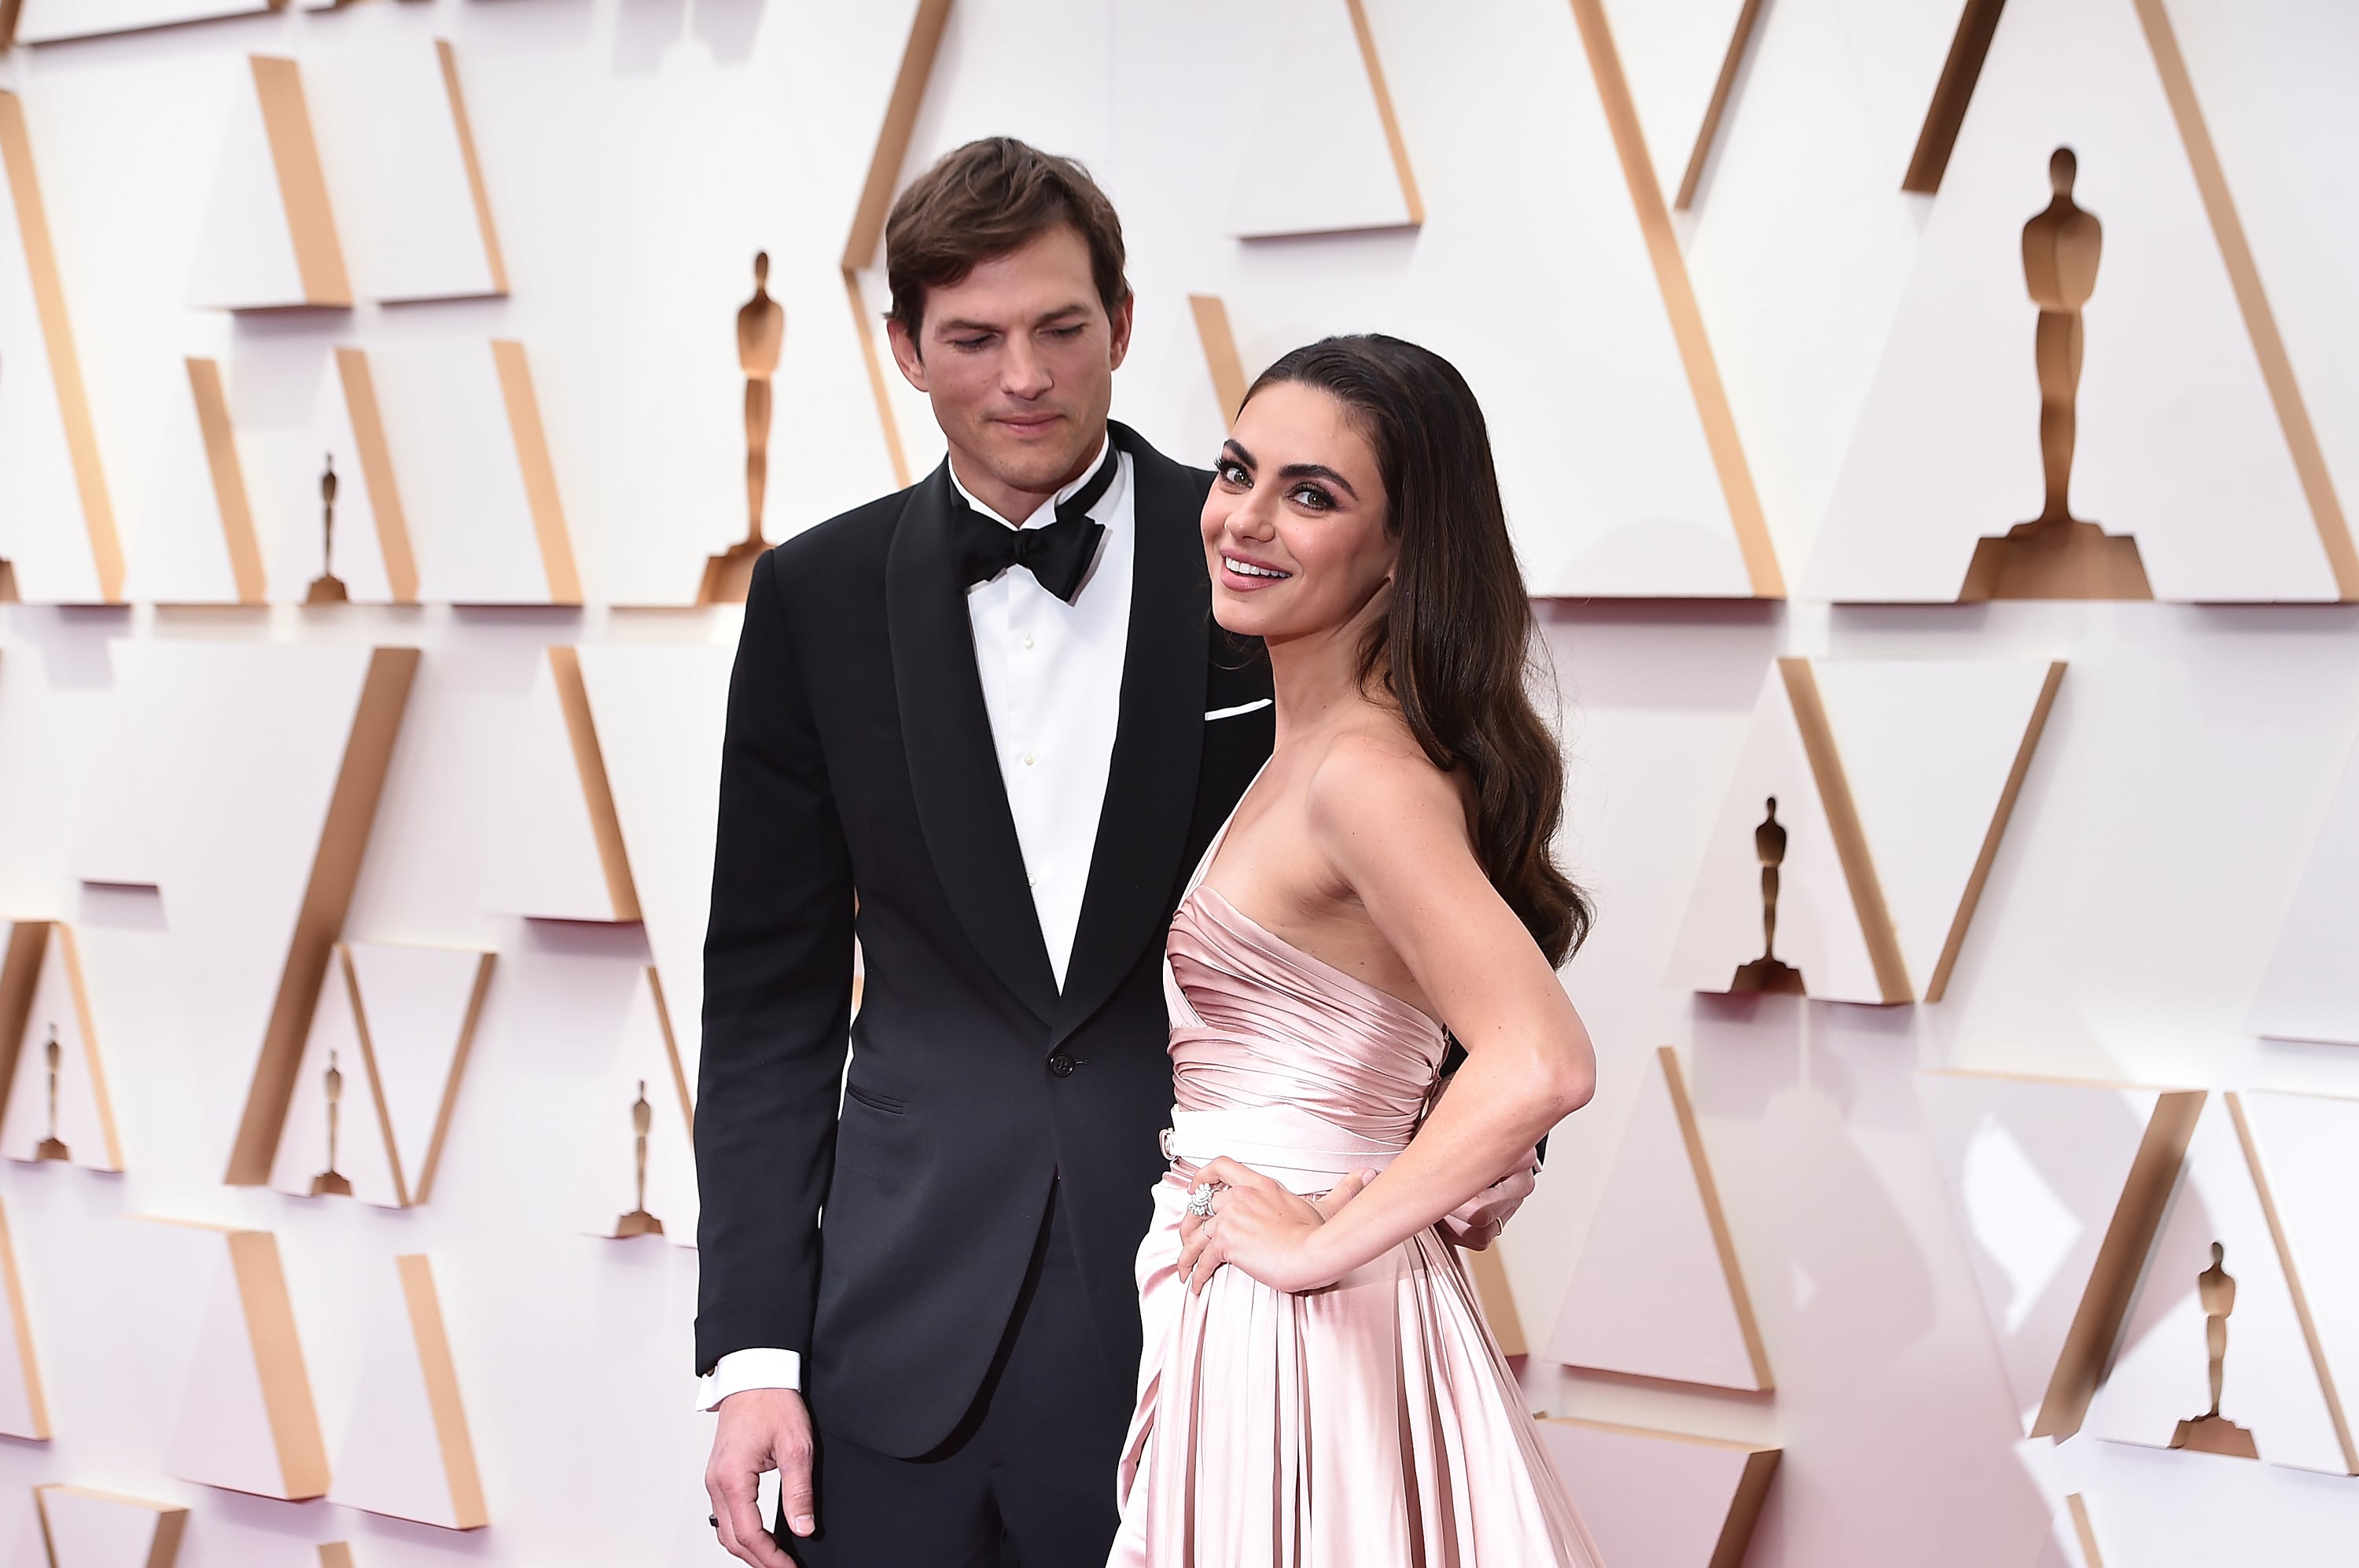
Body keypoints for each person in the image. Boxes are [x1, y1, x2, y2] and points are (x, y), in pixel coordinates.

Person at [692, 137, 1278, 1568]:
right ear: (904, 349)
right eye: (974, 336)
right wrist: (753, 1350)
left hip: (1203, 1304)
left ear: (1122, 327)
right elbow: (768, 996)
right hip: (892, 1335)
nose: (1024, 374)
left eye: (1061, 328)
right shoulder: (814, 597)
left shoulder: (1264, 561)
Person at [1112, 335, 1606, 1565]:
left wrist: (1322, 1240)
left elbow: (1541, 1057)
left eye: (1312, 494)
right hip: (1283, 1308)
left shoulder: (1364, 776)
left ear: (1402, 548)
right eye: (1237, 472)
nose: (1247, 519)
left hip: (1311, 1324)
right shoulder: (1314, 755)